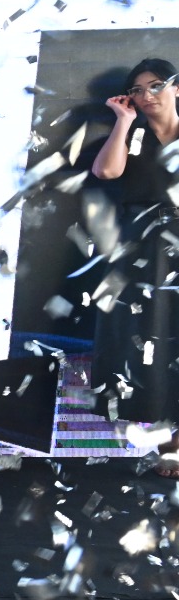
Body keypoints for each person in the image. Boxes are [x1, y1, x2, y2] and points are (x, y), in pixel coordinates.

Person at [89, 58, 179, 429]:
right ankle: (150, 418)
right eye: (137, 90)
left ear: (176, 88)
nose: (147, 95)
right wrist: (123, 120)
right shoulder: (132, 132)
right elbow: (106, 171)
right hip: (141, 244)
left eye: (156, 85)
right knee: (143, 329)